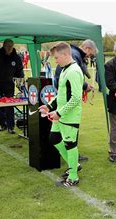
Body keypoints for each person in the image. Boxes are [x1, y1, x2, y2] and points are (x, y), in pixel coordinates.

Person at [39, 42, 84, 187]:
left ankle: (73, 177)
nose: (55, 60)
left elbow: (76, 98)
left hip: (70, 116)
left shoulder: (74, 71)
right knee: (54, 138)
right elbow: (62, 94)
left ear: (65, 55)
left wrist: (59, 113)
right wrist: (49, 106)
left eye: (57, 57)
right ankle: (74, 164)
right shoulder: (65, 69)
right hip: (61, 115)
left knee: (70, 145)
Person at [53, 39, 98, 162]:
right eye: (91, 54)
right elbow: (74, 80)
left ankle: (72, 161)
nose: (90, 57)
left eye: (56, 58)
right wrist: (85, 86)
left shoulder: (74, 55)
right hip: (67, 98)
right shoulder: (75, 56)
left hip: (65, 95)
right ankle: (73, 159)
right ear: (87, 48)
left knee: (60, 134)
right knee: (68, 134)